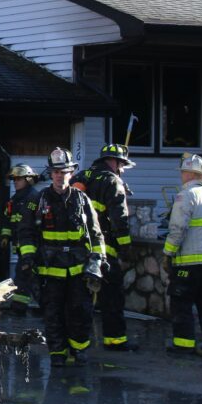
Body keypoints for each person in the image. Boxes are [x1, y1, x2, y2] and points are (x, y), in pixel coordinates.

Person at [18, 147, 105, 366]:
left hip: (78, 269)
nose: (59, 175)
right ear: (50, 173)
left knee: (80, 311)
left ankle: (79, 350)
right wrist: (28, 258)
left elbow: (95, 234)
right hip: (50, 270)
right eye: (56, 171)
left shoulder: (82, 200)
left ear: (71, 173)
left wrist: (97, 261)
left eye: (63, 171)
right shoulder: (38, 200)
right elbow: (26, 232)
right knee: (52, 313)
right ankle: (57, 352)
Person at [72, 144, 137, 351]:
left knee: (79, 298)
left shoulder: (79, 177)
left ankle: (77, 342)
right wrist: (125, 247)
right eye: (122, 165)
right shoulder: (112, 181)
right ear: (115, 162)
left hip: (76, 249)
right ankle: (115, 340)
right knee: (112, 297)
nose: (122, 170)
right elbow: (120, 218)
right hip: (104, 250)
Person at [163, 153, 202, 355]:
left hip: (189, 263)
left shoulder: (186, 196)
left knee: (181, 303)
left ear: (189, 173)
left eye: (183, 172)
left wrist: (168, 253)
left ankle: (183, 345)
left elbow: (177, 228)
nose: (181, 175)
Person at [3, 163, 40, 314]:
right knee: (25, 276)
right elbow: (7, 219)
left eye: (18, 179)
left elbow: (33, 226)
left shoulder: (33, 198)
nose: (15, 182)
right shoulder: (14, 200)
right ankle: (21, 307)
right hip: (20, 246)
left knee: (25, 277)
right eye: (14, 179)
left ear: (28, 180)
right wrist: (5, 235)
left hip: (32, 247)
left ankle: (20, 308)